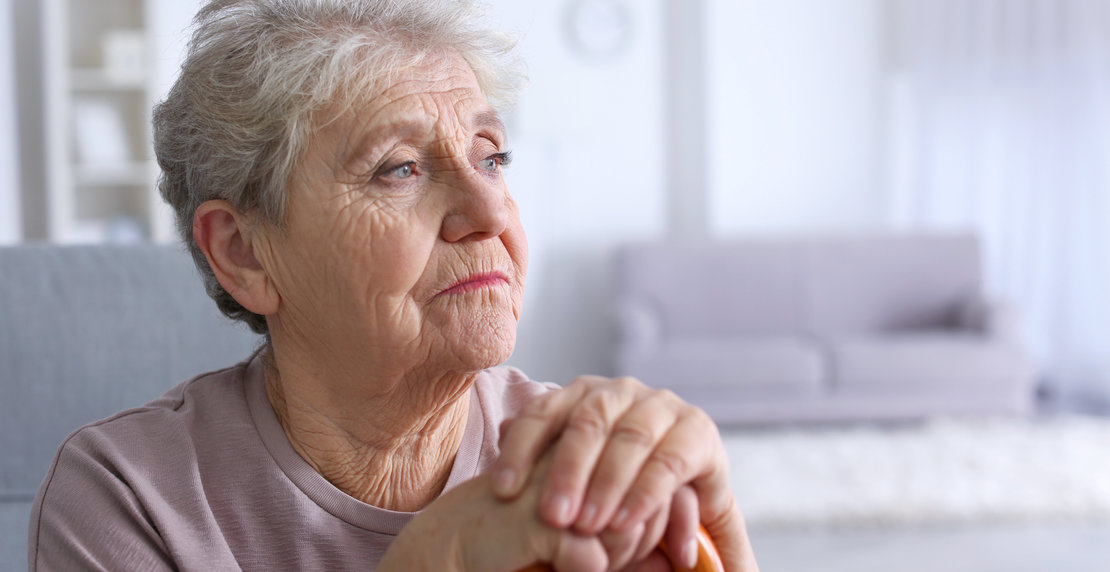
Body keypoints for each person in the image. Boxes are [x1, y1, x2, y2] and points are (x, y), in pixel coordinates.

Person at [29, 1, 758, 570]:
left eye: (492, 157)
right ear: (245, 252)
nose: (491, 211)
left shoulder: (577, 466)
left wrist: (723, 547)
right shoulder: (127, 498)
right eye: (399, 168)